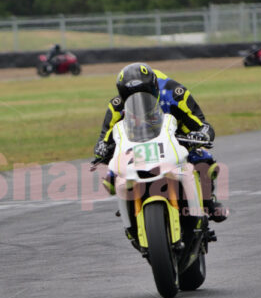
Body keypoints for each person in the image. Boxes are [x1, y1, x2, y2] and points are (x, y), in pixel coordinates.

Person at [93, 62, 227, 222]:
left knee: (205, 162)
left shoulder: (174, 92)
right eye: (129, 95)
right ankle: (130, 210)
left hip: (175, 139)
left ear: (154, 86)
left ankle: (207, 203)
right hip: (136, 145)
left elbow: (200, 122)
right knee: (112, 177)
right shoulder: (117, 106)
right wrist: (102, 148)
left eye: (144, 92)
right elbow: (105, 136)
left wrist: (200, 134)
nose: (138, 99)